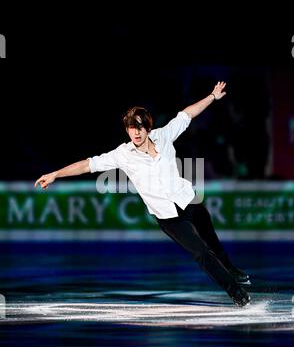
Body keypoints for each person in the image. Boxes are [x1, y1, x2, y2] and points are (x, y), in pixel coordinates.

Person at [35, 82, 251, 307]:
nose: (135, 132)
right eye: (130, 127)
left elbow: (186, 114)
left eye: (139, 127)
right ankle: (236, 293)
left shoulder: (164, 136)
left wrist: (212, 97)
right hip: (168, 217)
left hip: (188, 199)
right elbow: (89, 164)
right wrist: (56, 174)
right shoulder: (123, 154)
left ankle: (232, 271)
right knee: (201, 252)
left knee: (212, 241)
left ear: (148, 127)